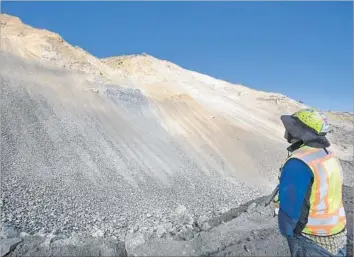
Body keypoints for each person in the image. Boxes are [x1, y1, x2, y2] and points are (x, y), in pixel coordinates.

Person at [275, 108, 347, 257]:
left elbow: (291, 207)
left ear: (298, 131)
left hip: (312, 238)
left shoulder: (299, 161)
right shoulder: (329, 155)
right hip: (336, 234)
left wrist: (288, 232)